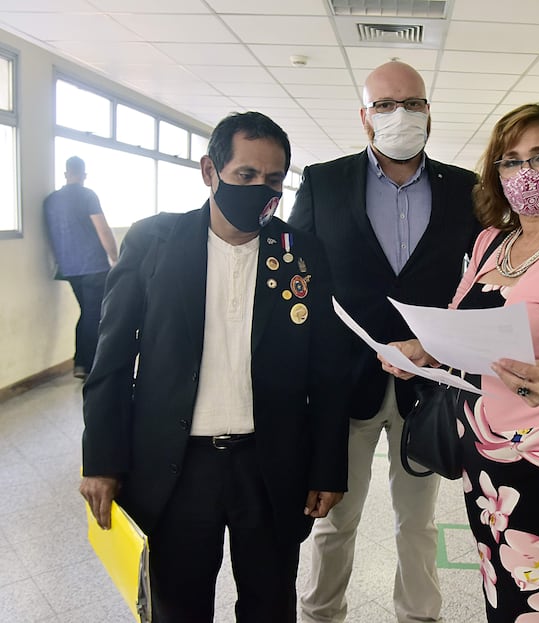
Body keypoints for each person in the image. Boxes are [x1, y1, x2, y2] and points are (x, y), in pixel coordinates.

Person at [78, 111, 350, 623]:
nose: (260, 189)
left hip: (270, 465)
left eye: (273, 179)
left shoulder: (301, 253)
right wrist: (101, 461)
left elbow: (328, 371)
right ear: (210, 171)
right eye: (245, 175)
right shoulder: (154, 242)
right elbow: (110, 358)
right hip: (177, 466)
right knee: (178, 608)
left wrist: (328, 467)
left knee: (270, 606)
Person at [380, 103, 539, 622]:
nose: (526, 171)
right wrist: (423, 350)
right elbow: (461, 322)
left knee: (535, 609)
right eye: (511, 160)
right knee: (498, 595)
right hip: (482, 454)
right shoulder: (490, 243)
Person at [288, 61, 480, 623]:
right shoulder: (324, 182)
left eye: (413, 103)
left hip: (428, 382)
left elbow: (480, 282)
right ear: (365, 116)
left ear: (429, 111)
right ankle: (321, 613)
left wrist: (442, 344)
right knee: (334, 518)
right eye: (386, 104)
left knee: (417, 521)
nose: (401, 114)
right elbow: (298, 276)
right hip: (345, 381)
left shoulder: (464, 189)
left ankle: (418, 615)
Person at [43, 156, 118, 379]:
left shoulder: (50, 200)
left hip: (69, 268)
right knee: (95, 315)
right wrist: (115, 258)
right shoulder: (87, 195)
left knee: (87, 313)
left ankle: (80, 363)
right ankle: (90, 366)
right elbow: (103, 229)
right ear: (84, 175)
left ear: (66, 174)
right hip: (93, 266)